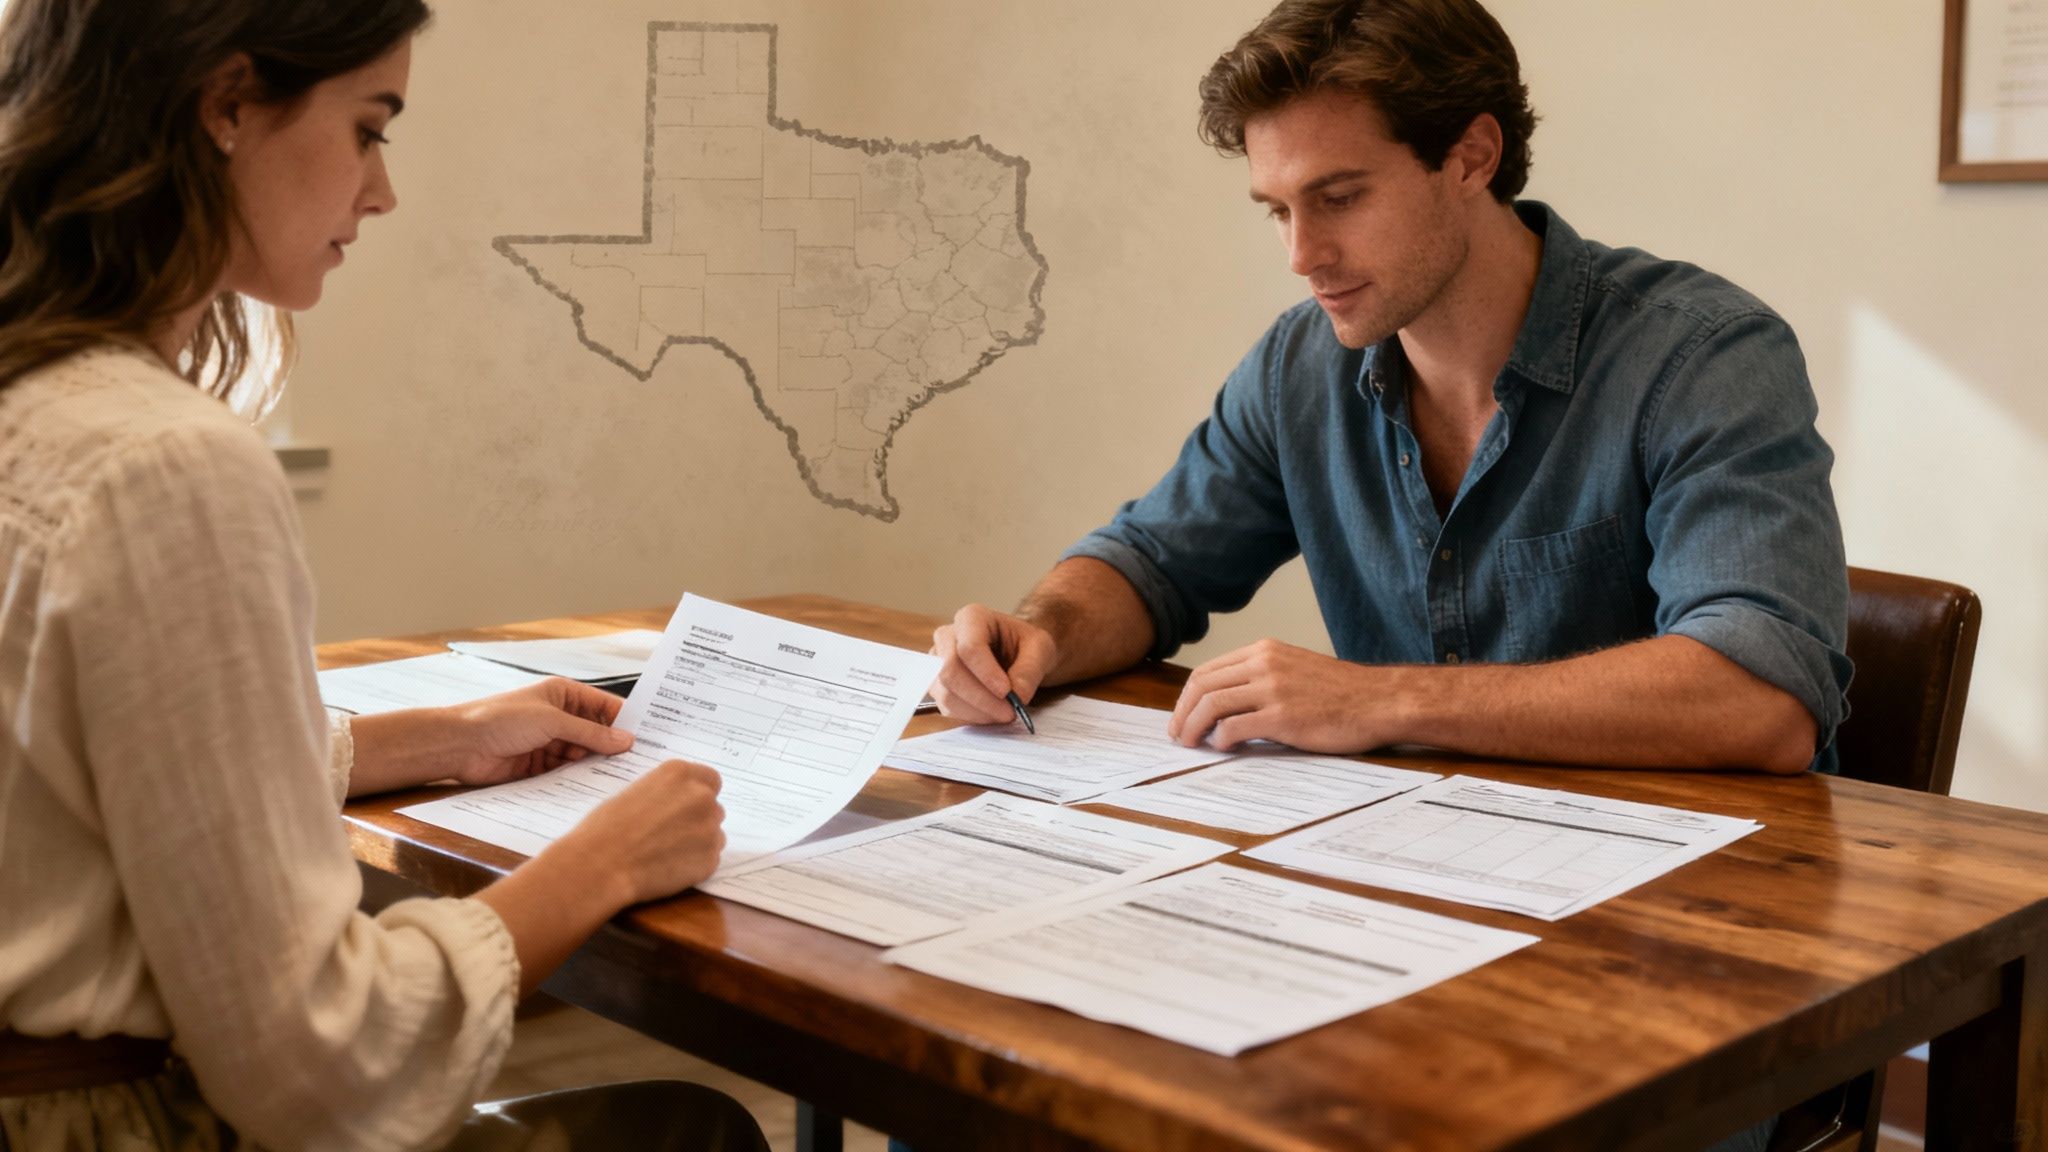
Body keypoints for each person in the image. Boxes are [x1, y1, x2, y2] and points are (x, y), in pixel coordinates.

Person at [0, 2, 763, 1150]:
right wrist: (599, 865)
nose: (381, 190)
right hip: (110, 1122)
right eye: (369, 127)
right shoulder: (164, 467)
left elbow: (94, 791)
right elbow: (316, 1063)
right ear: (227, 103)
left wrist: (435, 739)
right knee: (686, 1132)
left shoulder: (36, 405)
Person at [931, 0, 1851, 782]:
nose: (1302, 256)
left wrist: (1382, 698)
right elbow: (1150, 565)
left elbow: (1762, 700)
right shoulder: (1301, 366)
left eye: (1339, 198)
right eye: (1279, 211)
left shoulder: (1703, 356)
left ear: (1470, 156)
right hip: (1411, 876)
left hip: (1686, 915)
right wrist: (1039, 633)